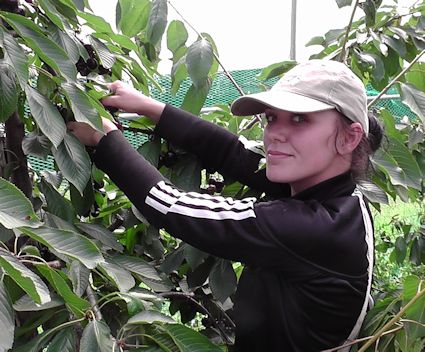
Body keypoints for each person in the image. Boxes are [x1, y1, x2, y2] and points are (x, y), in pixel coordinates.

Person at [68, 59, 384, 352]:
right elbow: (231, 151)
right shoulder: (337, 193)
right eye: (272, 118)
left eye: (300, 119)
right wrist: (147, 106)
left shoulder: (316, 227)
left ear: (349, 138)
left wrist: (105, 139)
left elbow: (171, 206)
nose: (274, 134)